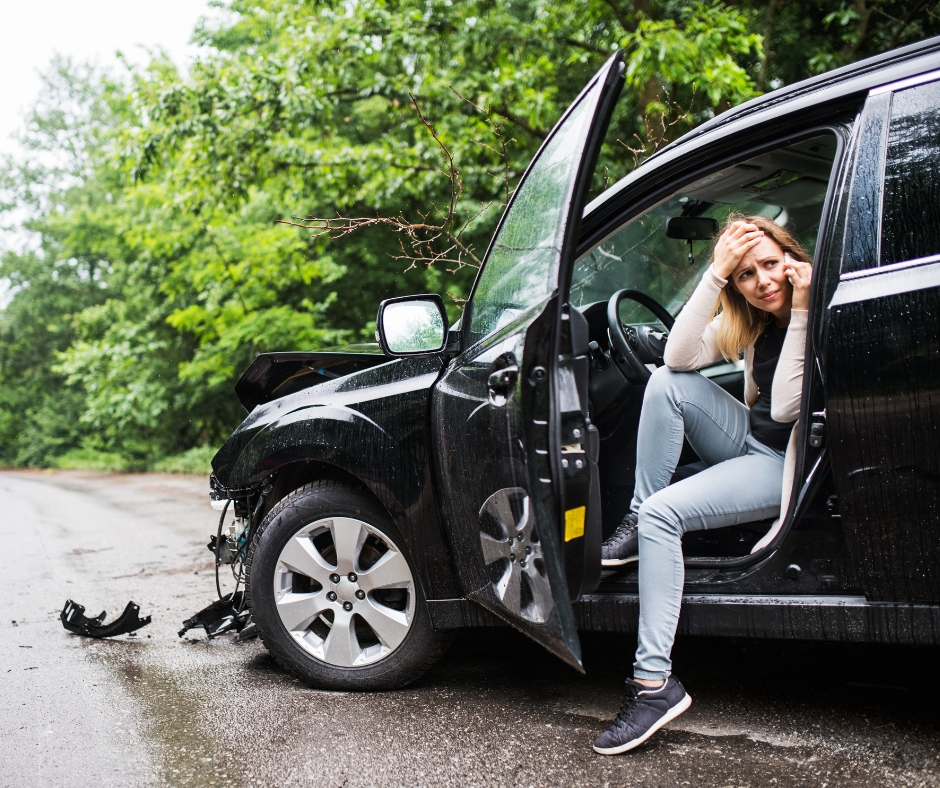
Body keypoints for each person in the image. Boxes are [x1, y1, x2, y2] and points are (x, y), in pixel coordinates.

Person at [592, 215, 814, 755]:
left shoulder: (822, 309)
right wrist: (713, 274)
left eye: (769, 264)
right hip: (750, 440)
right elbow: (676, 358)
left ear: (790, 256)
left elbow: (787, 407)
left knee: (665, 516)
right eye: (745, 275)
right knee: (668, 383)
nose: (762, 281)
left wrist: (803, 307)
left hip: (785, 462)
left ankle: (653, 687)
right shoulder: (751, 321)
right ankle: (637, 513)